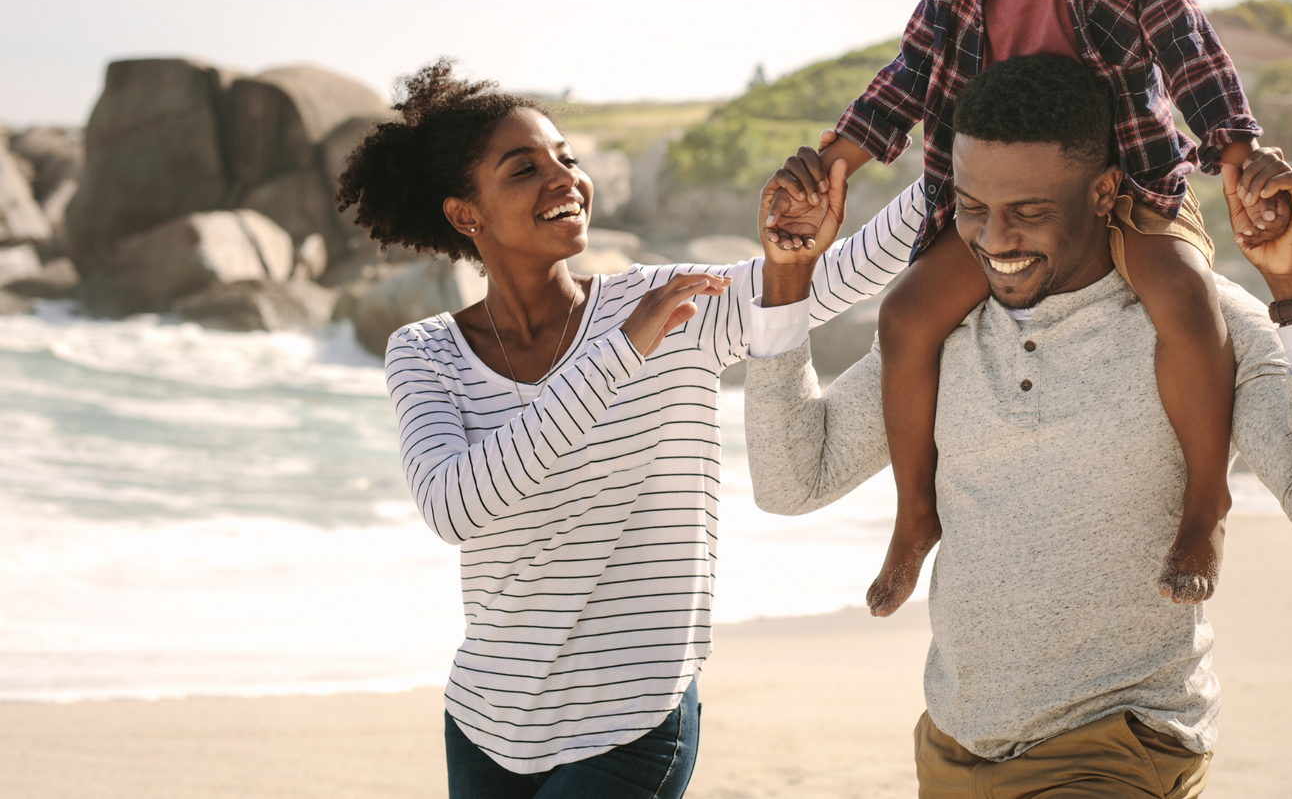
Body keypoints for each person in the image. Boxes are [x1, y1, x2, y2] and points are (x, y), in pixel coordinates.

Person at [744, 54, 1292, 797]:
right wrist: (787, 282)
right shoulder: (943, 333)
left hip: (1119, 745)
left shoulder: (1203, 330)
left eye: (1028, 211)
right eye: (971, 207)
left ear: (1102, 191)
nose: (994, 238)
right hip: (956, 743)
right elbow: (790, 482)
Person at [764, 0, 1292, 617]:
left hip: (1125, 189)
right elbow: (905, 78)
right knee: (903, 317)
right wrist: (839, 156)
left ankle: (1206, 506)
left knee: (1188, 303)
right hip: (996, 210)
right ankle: (913, 515)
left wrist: (1236, 151)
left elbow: (1193, 60)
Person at [334, 59, 924, 798]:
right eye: (524, 169)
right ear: (466, 214)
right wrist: (621, 353)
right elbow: (458, 506)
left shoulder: (668, 302)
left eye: (567, 159)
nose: (565, 180)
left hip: (632, 719)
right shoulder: (426, 353)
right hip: (488, 723)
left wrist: (969, 160)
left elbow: (837, 272)